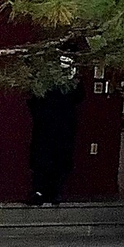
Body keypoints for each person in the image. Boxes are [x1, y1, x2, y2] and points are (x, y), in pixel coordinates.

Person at [25, 69, 82, 208]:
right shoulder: (43, 75)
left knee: (59, 159)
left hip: (61, 126)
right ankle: (40, 191)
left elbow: (79, 96)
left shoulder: (72, 78)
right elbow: (33, 98)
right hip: (47, 125)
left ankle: (54, 192)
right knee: (43, 158)